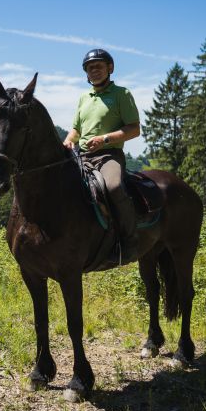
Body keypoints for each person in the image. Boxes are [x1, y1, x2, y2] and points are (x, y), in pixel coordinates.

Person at [63, 48, 141, 261]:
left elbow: (134, 129)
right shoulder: (83, 97)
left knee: (114, 187)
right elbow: (76, 129)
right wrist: (69, 141)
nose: (94, 70)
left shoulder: (122, 94)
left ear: (110, 68)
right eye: (90, 68)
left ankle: (128, 241)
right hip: (82, 156)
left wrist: (104, 139)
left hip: (109, 156)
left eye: (98, 66)